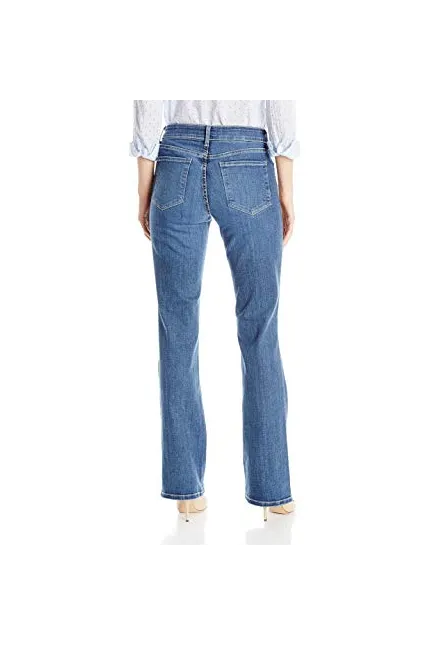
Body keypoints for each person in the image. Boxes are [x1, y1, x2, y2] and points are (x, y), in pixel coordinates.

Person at [130, 97, 299, 522]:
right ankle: (273, 491)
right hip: (249, 161)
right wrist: (286, 189)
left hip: (175, 160)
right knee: (260, 330)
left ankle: (186, 491)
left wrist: (144, 186)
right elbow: (280, 98)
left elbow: (149, 99)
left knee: (177, 330)